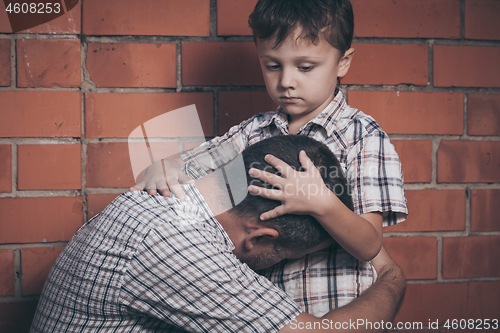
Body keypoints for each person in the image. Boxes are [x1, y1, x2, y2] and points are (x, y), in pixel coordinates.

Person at [131, 0, 408, 315]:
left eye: (305, 67)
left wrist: (323, 203)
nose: (286, 81)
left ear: (342, 62)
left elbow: (370, 244)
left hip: (333, 310)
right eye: (273, 65)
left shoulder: (362, 136)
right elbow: (191, 165)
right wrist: (162, 167)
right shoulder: (253, 132)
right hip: (265, 314)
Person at [31, 136, 405, 333]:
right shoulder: (183, 246)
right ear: (258, 239)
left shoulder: (180, 201)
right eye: (286, 259)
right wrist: (391, 280)